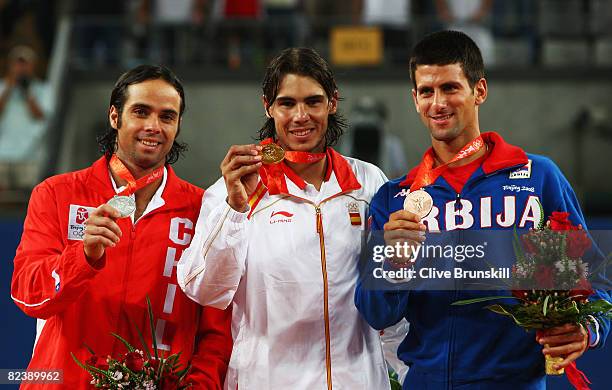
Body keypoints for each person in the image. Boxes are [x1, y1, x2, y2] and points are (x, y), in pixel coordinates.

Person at [354, 30, 610, 389]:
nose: (437, 103)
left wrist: (585, 329)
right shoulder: (395, 200)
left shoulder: (537, 178)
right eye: (426, 91)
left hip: (516, 382)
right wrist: (395, 261)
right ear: (414, 99)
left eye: (450, 88)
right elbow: (377, 313)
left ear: (480, 91)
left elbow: (594, 281)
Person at [177, 47, 390, 389]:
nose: (300, 116)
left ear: (332, 103)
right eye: (287, 103)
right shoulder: (233, 189)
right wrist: (235, 209)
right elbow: (204, 289)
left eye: (313, 102)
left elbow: (387, 292)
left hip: (359, 380)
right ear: (268, 106)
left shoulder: (368, 183)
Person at [11, 65, 232, 389]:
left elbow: (217, 328)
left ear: (178, 125)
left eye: (167, 116)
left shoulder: (204, 210)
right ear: (115, 116)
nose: (153, 126)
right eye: (141, 112)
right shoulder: (57, 194)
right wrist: (82, 256)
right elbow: (27, 295)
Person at [0, 45, 51, 187]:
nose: (21, 68)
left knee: (27, 199)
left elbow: (40, 116)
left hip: (30, 154)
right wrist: (9, 88)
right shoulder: (2, 87)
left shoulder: (43, 89)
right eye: (17, 64)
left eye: (24, 64)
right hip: (2, 154)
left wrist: (26, 91)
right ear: (10, 66)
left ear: (32, 66)